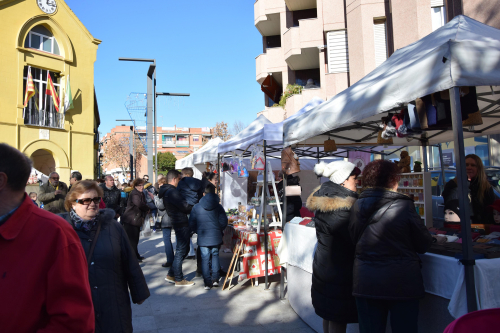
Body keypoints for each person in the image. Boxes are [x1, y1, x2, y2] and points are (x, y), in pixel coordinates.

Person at [0, 143, 94, 332]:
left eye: (57, 178)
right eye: (54, 177)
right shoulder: (44, 187)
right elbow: (42, 198)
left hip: (57, 215)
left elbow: (74, 321)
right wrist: (53, 194)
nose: (56, 179)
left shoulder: (56, 234)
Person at [349, 160, 433, 333]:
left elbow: (353, 238)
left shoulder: (356, 205)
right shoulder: (404, 205)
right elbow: (423, 244)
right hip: (401, 281)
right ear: (394, 179)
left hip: (366, 280)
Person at [59, 180, 150, 333]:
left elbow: (129, 260)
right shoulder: (60, 230)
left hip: (113, 299)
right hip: (77, 303)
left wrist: (139, 292)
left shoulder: (113, 226)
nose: (93, 204)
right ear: (72, 203)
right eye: (86, 200)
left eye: (96, 199)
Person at [307, 161, 361, 333]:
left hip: (326, 267)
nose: (357, 181)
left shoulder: (327, 197)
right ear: (344, 180)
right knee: (337, 316)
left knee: (329, 314)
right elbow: (354, 238)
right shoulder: (341, 207)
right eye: (354, 178)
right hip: (338, 270)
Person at [189, 184, 228, 290]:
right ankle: (215, 279)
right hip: (215, 236)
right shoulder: (218, 206)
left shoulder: (196, 207)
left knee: (205, 258)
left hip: (203, 236)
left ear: (203, 193)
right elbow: (224, 221)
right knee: (215, 255)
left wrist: (198, 231)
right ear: (214, 192)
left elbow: (191, 223)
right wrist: (218, 230)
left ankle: (207, 282)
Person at [162, 170, 195, 287]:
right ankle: (179, 279)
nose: (180, 182)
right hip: (180, 222)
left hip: (178, 222)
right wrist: (193, 205)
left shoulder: (167, 191)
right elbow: (185, 207)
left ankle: (171, 274)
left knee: (183, 250)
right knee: (182, 250)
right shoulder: (172, 192)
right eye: (180, 179)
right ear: (175, 179)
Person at [443, 154, 496, 224]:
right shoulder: (452, 184)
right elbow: (449, 205)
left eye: (473, 165)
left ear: (479, 168)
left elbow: (490, 211)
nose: (469, 167)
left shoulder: (485, 187)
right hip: (458, 227)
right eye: (466, 165)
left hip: (481, 228)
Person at [121, 178, 150, 262]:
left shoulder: (141, 193)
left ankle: (135, 255)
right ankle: (133, 257)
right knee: (132, 240)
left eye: (142, 185)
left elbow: (143, 203)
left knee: (135, 239)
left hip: (136, 219)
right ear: (135, 186)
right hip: (131, 219)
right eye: (139, 185)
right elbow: (139, 204)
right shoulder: (134, 194)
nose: (142, 187)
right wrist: (147, 208)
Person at [178, 167, 203, 260]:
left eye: (182, 174)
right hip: (196, 208)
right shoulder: (198, 182)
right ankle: (198, 250)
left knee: (186, 231)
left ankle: (190, 251)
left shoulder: (182, 182)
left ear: (187, 175)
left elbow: (177, 194)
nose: (181, 175)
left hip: (185, 208)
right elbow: (200, 195)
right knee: (198, 231)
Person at [157, 177, 174, 268]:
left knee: (166, 239)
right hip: (171, 217)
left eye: (159, 184)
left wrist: (155, 198)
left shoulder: (164, 193)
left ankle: (170, 260)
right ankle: (172, 259)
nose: (159, 186)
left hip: (166, 218)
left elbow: (161, 206)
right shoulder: (171, 191)